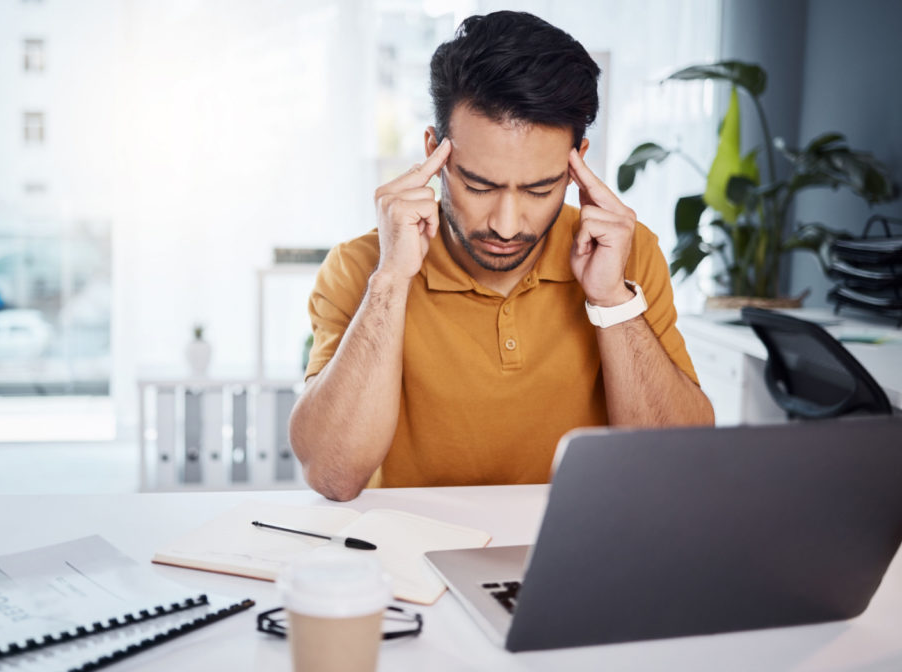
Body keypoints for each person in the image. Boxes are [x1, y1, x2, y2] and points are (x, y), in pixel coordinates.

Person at [289, 11, 714, 501]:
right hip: (413, 558)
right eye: (478, 184)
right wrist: (390, 281)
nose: (506, 225)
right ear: (435, 153)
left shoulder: (626, 253)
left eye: (540, 188)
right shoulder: (363, 266)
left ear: (577, 164)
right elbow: (333, 474)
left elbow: (679, 470)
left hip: (580, 555)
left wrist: (612, 299)